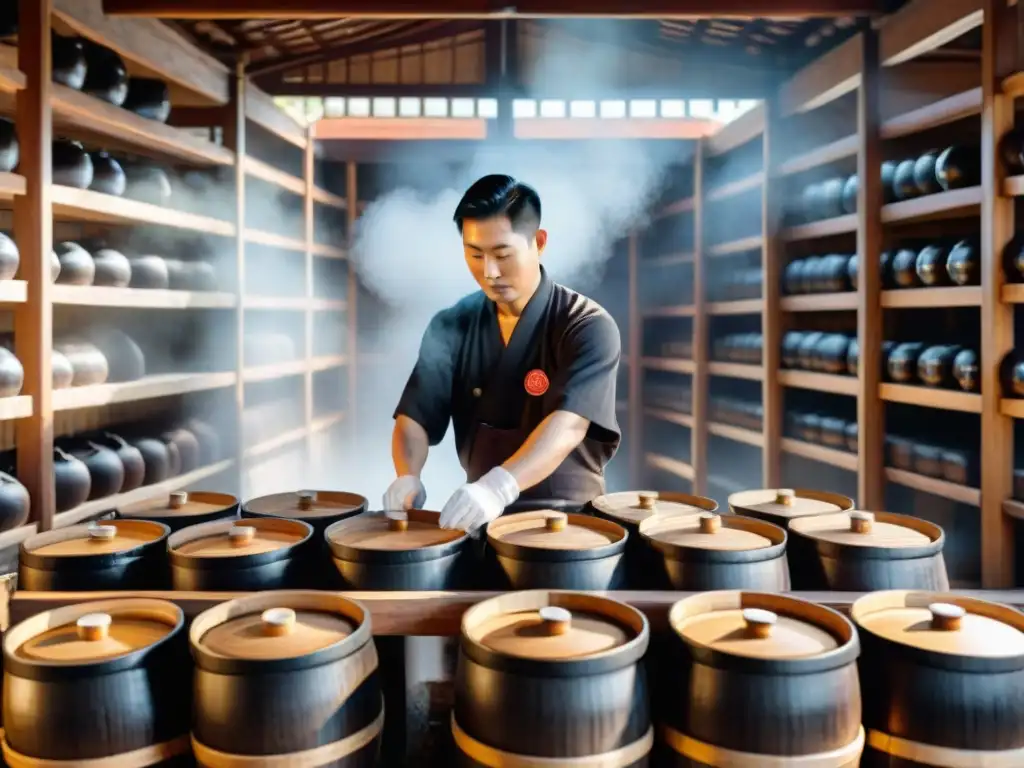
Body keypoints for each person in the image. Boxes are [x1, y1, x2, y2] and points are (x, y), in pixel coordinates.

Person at [383, 173, 622, 532]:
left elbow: (569, 424)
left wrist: (499, 487)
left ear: (538, 242)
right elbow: (415, 415)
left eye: (502, 254)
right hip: (480, 519)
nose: (488, 272)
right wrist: (407, 476)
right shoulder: (453, 324)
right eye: (474, 254)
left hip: (570, 526)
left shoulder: (587, 325)